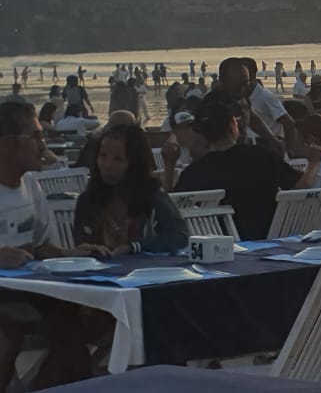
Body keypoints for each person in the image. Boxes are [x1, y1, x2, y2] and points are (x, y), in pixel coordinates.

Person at [0, 102, 114, 389]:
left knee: (93, 318)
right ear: (9, 145)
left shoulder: (31, 186)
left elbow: (42, 246)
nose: (43, 144)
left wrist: (71, 255)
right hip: (9, 298)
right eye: (36, 137)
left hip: (32, 292)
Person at [168, 100, 319, 239]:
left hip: (219, 242)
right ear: (233, 126)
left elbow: (172, 209)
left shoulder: (196, 171)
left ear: (200, 134)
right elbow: (301, 187)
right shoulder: (261, 156)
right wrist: (314, 163)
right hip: (267, 240)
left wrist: (169, 165)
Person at [74, 124, 189, 256]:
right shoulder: (88, 200)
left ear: (134, 163)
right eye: (103, 155)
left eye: (117, 159)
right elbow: (81, 243)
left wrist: (136, 247)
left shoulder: (152, 196)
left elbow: (180, 236)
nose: (107, 164)